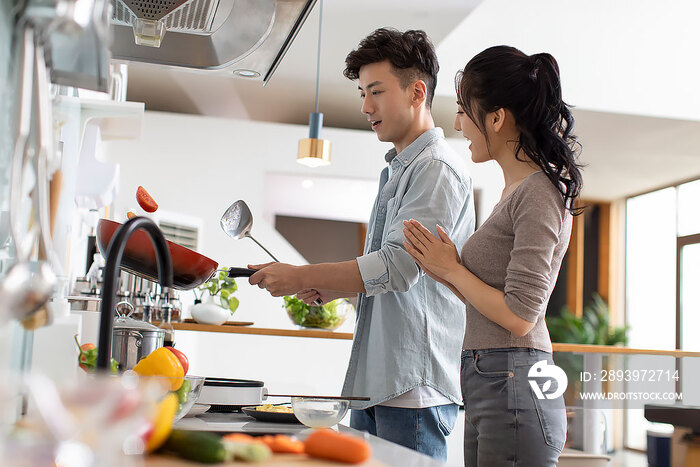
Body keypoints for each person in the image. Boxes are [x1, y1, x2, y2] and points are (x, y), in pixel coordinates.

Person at [249, 28, 475, 461]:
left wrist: (300, 274)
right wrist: (335, 286)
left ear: (416, 92)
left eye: (375, 91)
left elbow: (395, 268)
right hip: (378, 380)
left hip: (413, 385)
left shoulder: (437, 169)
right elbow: (387, 270)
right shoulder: (399, 169)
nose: (365, 106)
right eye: (361, 93)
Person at [403, 45, 582, 466]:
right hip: (492, 379)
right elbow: (492, 299)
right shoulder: (514, 192)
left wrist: (453, 270)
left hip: (515, 381)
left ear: (497, 118)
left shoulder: (539, 192)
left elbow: (520, 316)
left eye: (465, 110)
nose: (458, 123)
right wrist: (443, 268)